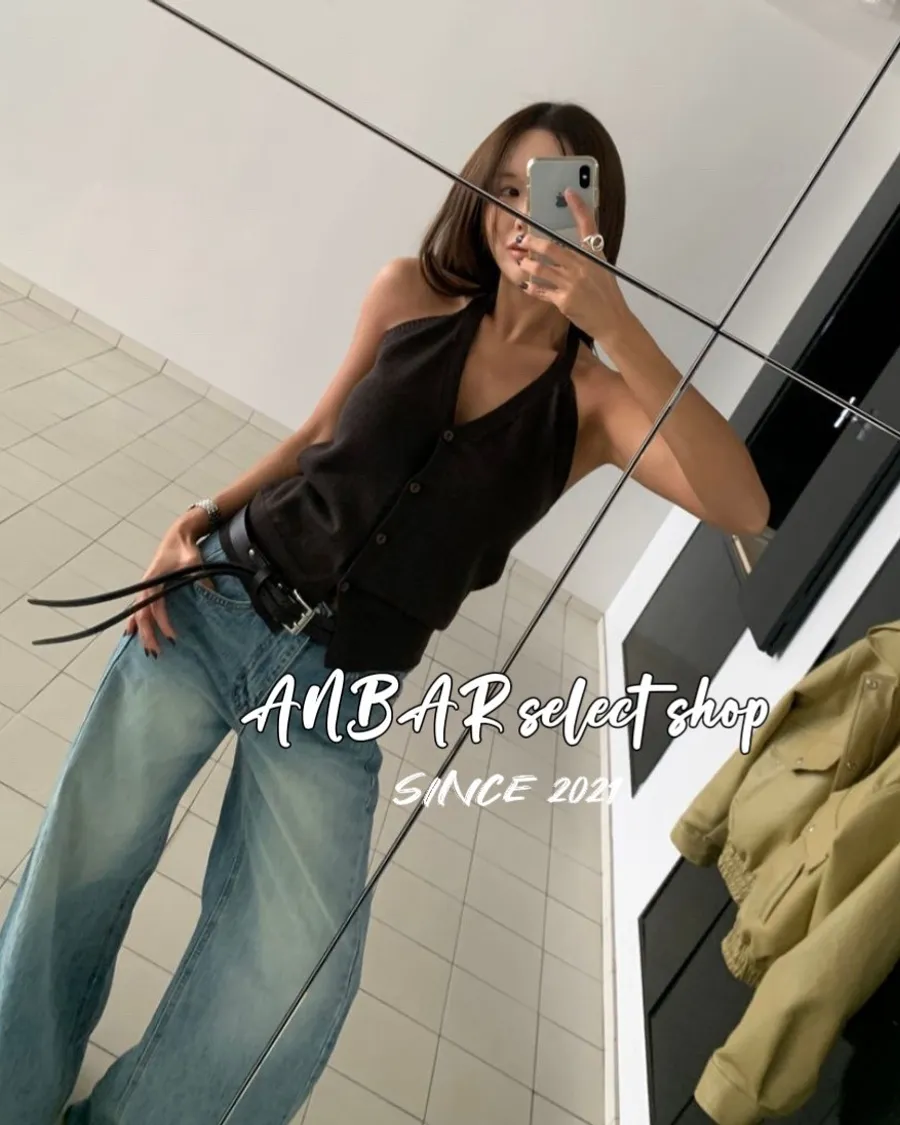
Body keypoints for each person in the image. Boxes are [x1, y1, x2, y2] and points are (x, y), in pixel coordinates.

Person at [0, 101, 769, 1125]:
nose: (520, 219)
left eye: (549, 196)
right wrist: (192, 521)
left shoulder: (592, 403)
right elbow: (317, 434)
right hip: (220, 600)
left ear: (591, 218)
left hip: (336, 694)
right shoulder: (408, 293)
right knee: (80, 864)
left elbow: (742, 504)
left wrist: (617, 320)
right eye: (505, 189)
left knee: (291, 977)